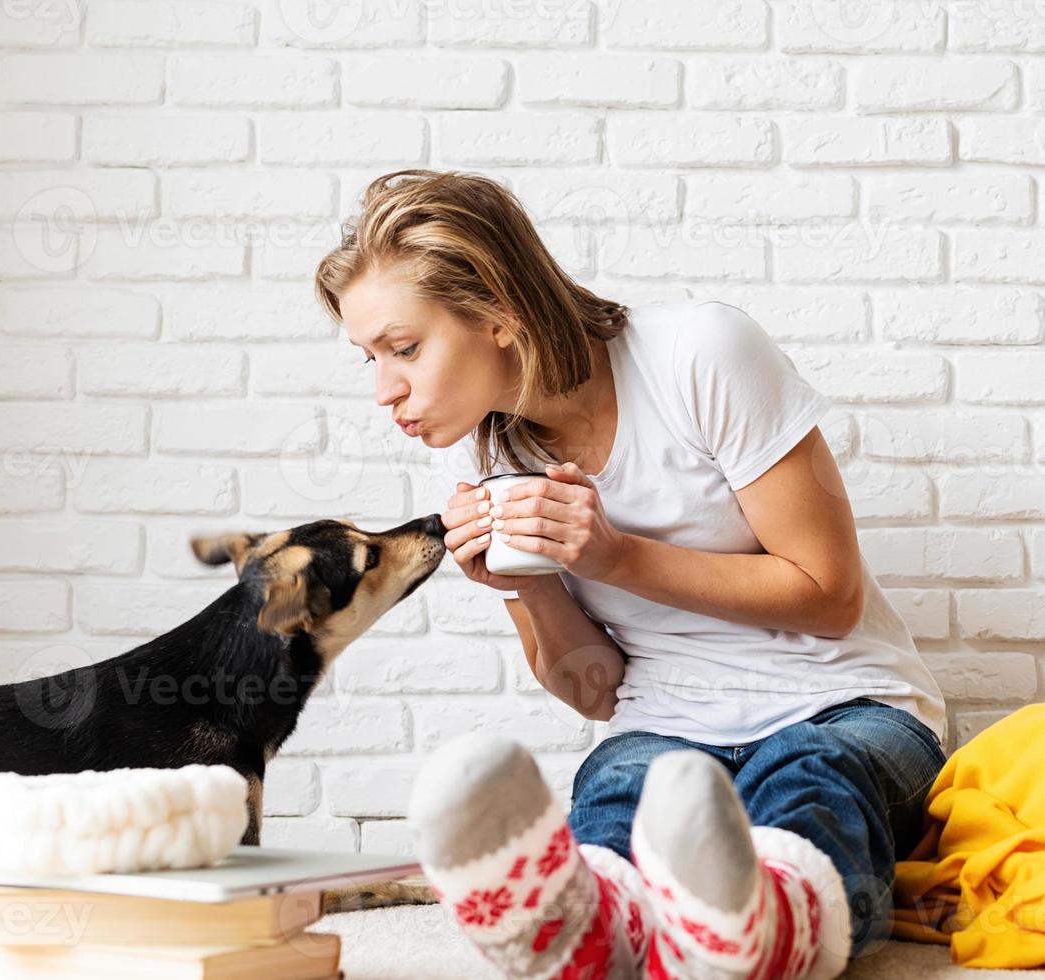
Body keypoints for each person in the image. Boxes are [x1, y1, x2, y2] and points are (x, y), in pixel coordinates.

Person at [314, 169, 947, 980]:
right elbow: (596, 691)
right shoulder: (498, 450)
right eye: (371, 357)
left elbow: (830, 596)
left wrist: (614, 556)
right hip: (669, 723)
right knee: (620, 782)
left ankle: (766, 935)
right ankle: (583, 931)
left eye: (404, 349)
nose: (383, 390)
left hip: (844, 705)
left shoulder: (700, 353)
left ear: (500, 313)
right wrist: (526, 583)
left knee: (810, 773)